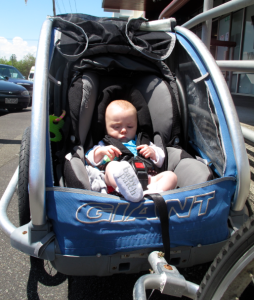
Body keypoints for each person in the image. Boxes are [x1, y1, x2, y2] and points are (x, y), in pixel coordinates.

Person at [85, 100, 177, 202]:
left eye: (129, 127)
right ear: (106, 128)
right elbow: (89, 159)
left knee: (171, 176)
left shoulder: (143, 142)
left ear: (136, 126)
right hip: (115, 183)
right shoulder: (105, 144)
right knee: (112, 167)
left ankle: (151, 193)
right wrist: (100, 152)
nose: (124, 130)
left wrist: (153, 153)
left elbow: (161, 160)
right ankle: (124, 189)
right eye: (116, 127)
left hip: (147, 179)